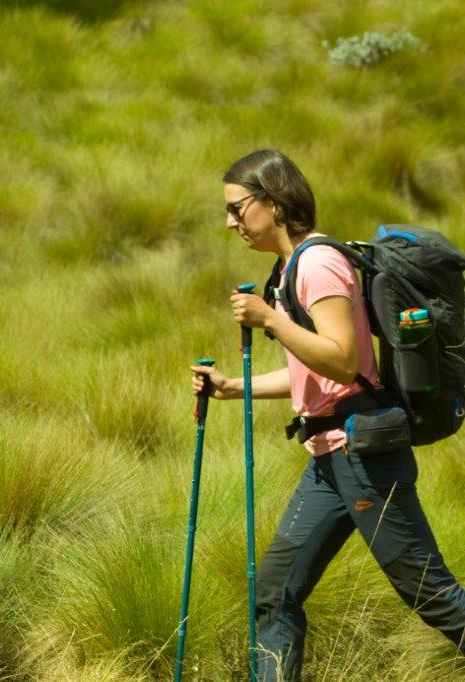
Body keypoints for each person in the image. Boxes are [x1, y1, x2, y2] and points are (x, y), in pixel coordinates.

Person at [191, 149, 465, 680]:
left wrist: (270, 319)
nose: (229, 223)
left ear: (271, 202)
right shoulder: (289, 268)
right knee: (273, 595)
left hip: (364, 458)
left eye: (236, 208)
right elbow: (311, 378)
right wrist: (230, 388)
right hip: (329, 459)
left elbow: (341, 361)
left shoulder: (317, 264)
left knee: (434, 599)